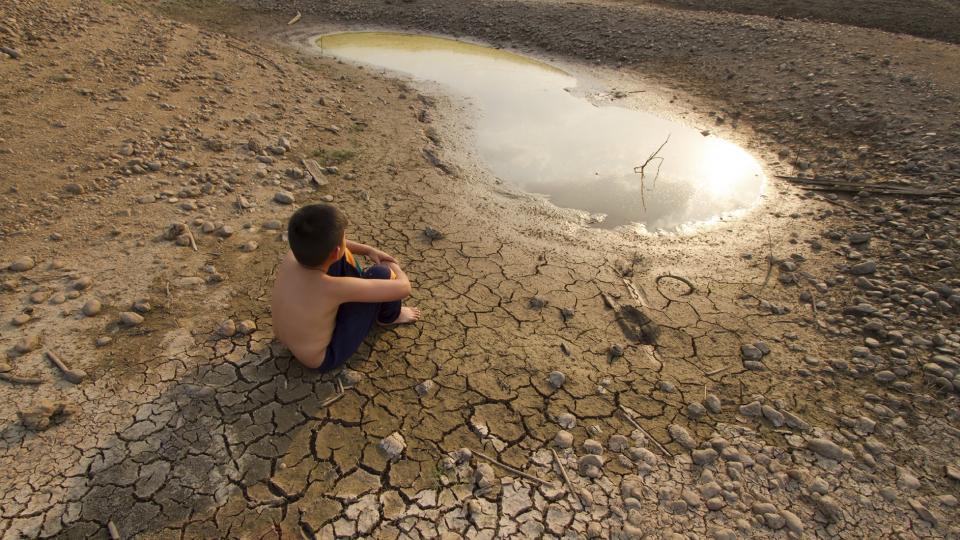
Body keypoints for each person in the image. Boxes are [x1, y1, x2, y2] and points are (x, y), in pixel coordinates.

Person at [271, 203, 421, 371]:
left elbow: (333, 246)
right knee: (382, 273)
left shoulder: (292, 257)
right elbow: (403, 288)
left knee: (334, 256)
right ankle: (390, 316)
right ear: (335, 250)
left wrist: (368, 250)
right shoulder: (333, 288)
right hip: (324, 357)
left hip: (287, 340)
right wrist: (394, 266)